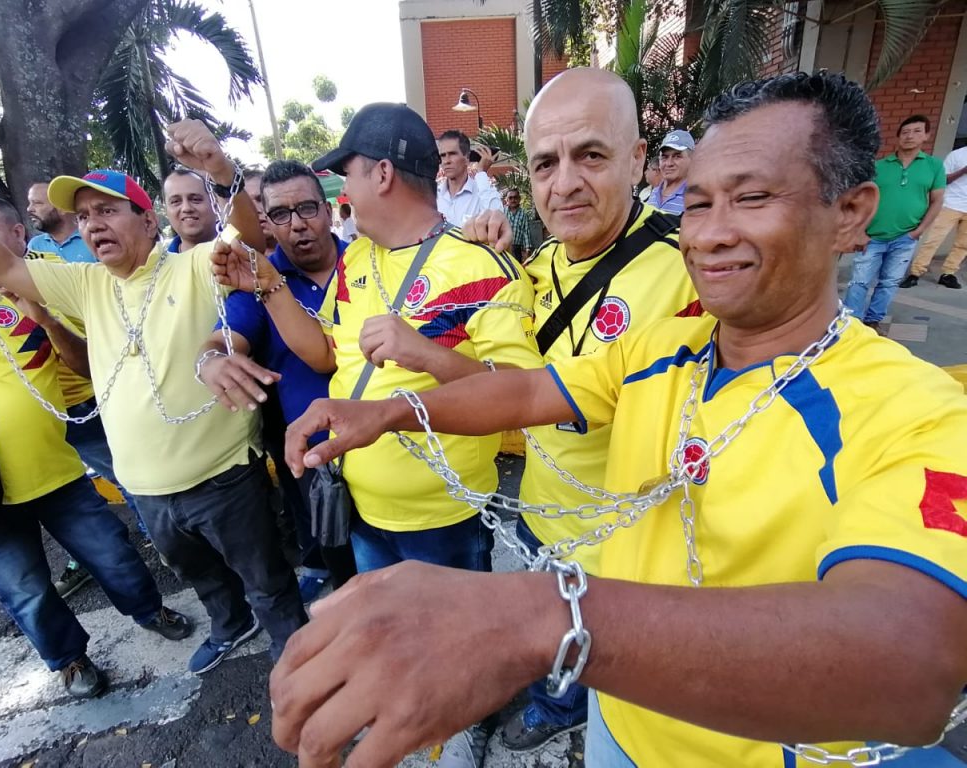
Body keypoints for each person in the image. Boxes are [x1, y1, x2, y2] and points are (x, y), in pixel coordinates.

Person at [270, 72, 967, 768]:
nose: (712, 233)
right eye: (698, 203)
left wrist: (542, 616)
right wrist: (387, 411)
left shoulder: (917, 410)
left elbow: (911, 664)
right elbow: (525, 395)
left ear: (850, 213)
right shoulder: (661, 348)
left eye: (752, 198)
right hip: (619, 714)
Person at [211, 102, 538, 768]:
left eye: (348, 174)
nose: (343, 191)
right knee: (390, 630)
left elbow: (521, 395)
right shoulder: (356, 258)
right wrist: (269, 287)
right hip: (363, 504)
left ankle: (468, 717)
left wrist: (427, 354)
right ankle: (410, 706)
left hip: (444, 514)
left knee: (459, 637)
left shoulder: (481, 266)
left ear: (383, 173)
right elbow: (326, 354)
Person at [0, 119, 308, 674]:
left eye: (107, 210)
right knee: (200, 575)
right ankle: (231, 624)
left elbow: (250, 240)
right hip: (145, 488)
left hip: (224, 478)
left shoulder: (193, 265)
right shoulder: (84, 284)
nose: (93, 224)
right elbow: (0, 264)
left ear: (147, 219)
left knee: (267, 581)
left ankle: (300, 663)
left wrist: (218, 169)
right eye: (84, 216)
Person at [463, 67, 701, 753]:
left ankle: (569, 708)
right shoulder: (542, 257)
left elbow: (549, 397)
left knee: (607, 666)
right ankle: (555, 697)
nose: (564, 183)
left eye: (590, 155)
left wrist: (498, 307)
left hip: (623, 550)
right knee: (554, 640)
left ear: (637, 159)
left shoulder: (689, 269)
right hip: (542, 513)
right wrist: (502, 268)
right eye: (545, 163)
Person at [0, 200, 192, 700]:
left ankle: (149, 610)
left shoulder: (17, 293)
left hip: (58, 475)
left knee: (114, 556)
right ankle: (69, 660)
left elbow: (85, 363)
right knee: (26, 591)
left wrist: (51, 325)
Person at [0, 195, 147, 599]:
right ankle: (85, 559)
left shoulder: (57, 275)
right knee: (76, 507)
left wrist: (47, 322)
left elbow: (95, 348)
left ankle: (164, 543)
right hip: (37, 432)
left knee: (129, 479)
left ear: (18, 233)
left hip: (89, 408)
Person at [196, 159, 358, 604]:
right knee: (347, 574)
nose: (298, 224)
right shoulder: (260, 281)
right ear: (266, 221)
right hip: (319, 463)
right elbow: (224, 339)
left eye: (307, 208)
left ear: (328, 210)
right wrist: (211, 360)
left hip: (387, 446)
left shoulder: (370, 263)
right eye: (281, 214)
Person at [845, 115, 946, 328]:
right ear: (898, 137)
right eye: (905, 132)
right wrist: (859, 231)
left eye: (917, 131)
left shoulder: (934, 166)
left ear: (926, 136)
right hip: (872, 236)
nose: (910, 136)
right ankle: (851, 325)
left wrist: (919, 231)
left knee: (889, 283)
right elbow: (859, 199)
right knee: (859, 282)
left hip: (905, 237)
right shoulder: (878, 166)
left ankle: (873, 322)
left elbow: (937, 201)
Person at [901, 143, 967, 289]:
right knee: (933, 241)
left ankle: (948, 274)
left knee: (963, 245)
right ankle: (915, 273)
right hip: (951, 204)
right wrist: (963, 171)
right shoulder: (957, 155)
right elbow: (943, 179)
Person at [436, 129, 503, 225]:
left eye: (452, 154)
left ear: (467, 158)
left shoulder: (481, 192)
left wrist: (481, 172)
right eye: (442, 155)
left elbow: (497, 222)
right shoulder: (433, 196)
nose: (446, 161)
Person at [26, 181, 95, 263]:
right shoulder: (35, 246)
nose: (29, 209)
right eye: (30, 203)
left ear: (62, 208)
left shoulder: (92, 239)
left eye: (37, 203)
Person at [163, 167, 219, 254]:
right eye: (176, 201)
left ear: (215, 204)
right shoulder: (161, 262)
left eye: (195, 199)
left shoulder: (238, 241)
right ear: (166, 210)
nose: (186, 208)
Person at [647, 129, 694, 215]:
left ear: (692, 159)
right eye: (664, 157)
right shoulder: (654, 193)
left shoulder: (695, 197)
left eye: (677, 156)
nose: (669, 163)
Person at [503, 188, 533, 263]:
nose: (513, 200)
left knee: (517, 267)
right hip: (504, 246)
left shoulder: (523, 214)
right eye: (510, 198)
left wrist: (527, 249)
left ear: (519, 199)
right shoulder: (502, 211)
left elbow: (525, 231)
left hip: (517, 248)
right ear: (507, 199)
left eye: (515, 197)